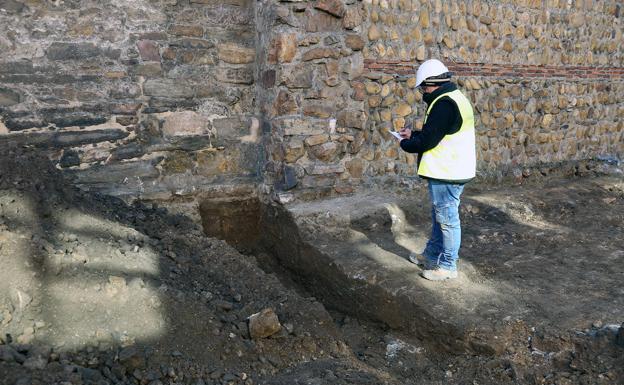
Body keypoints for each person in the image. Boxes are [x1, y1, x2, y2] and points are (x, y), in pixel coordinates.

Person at [397, 59, 476, 281]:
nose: (423, 91)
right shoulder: (453, 98)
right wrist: (413, 134)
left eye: (424, 86)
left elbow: (429, 140)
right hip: (450, 170)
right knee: (440, 216)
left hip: (448, 172)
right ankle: (432, 255)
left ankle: (448, 266)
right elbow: (439, 131)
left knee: (448, 219)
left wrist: (406, 144)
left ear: (434, 82)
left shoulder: (444, 104)